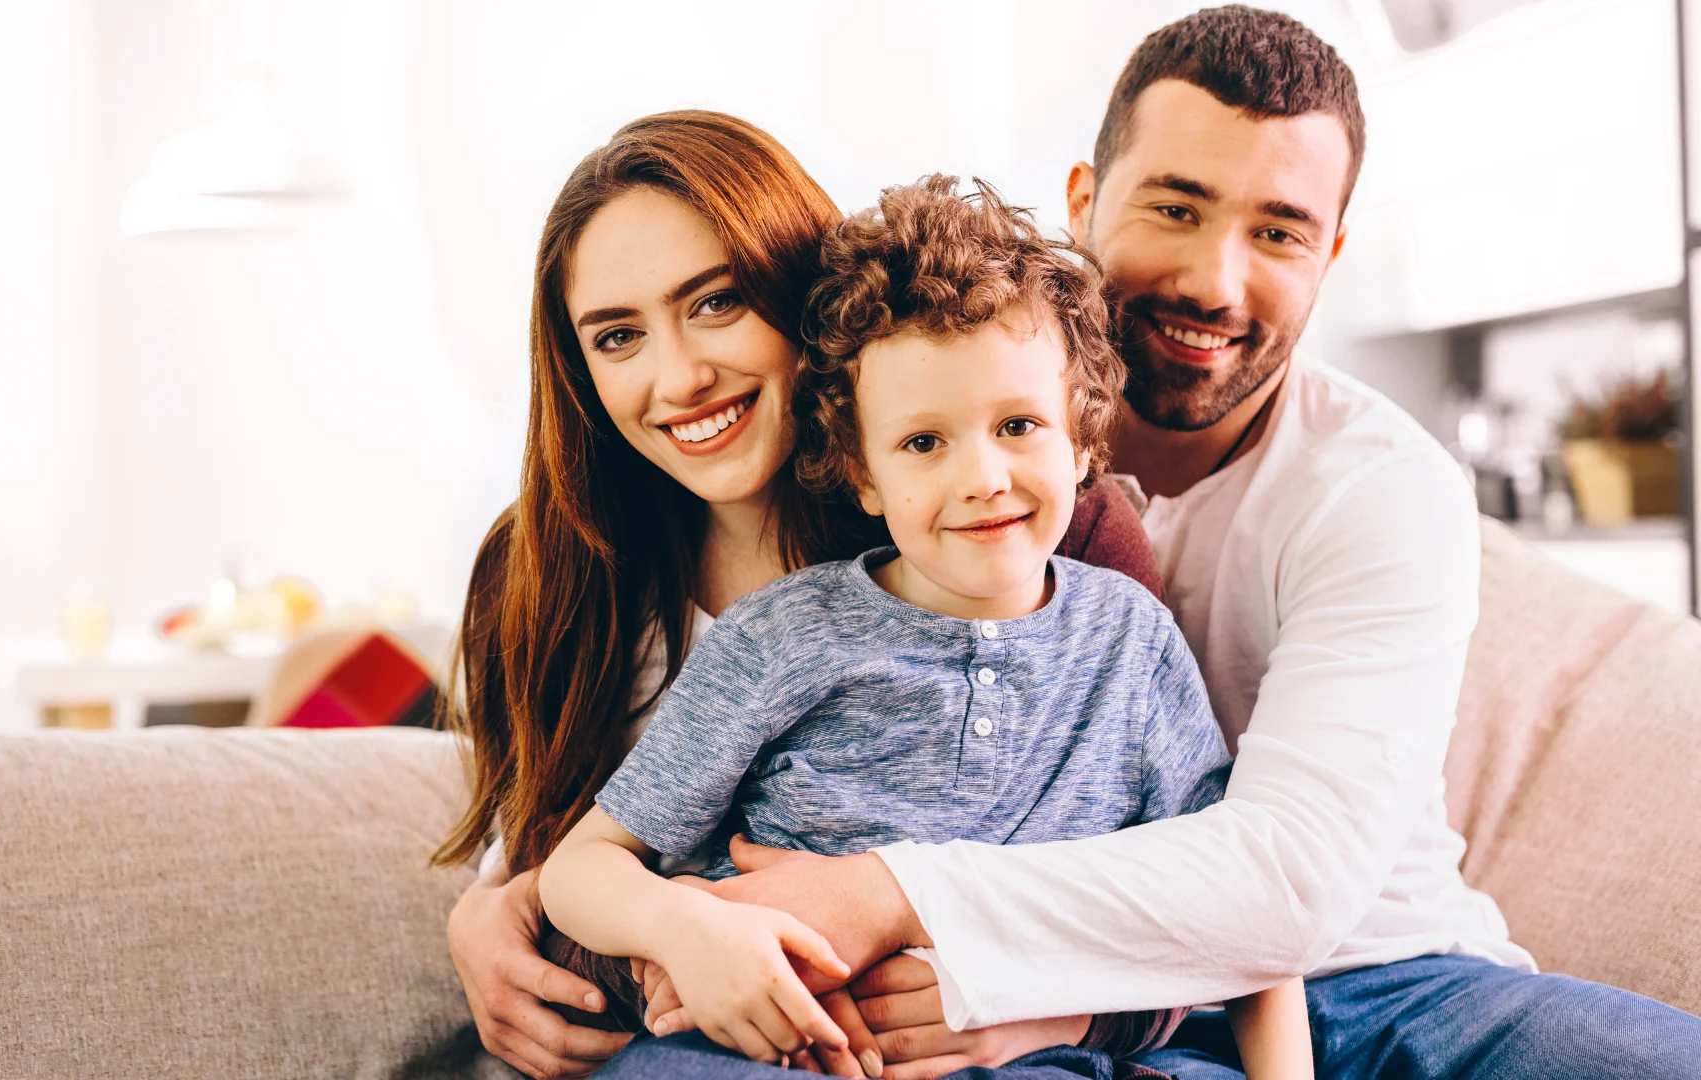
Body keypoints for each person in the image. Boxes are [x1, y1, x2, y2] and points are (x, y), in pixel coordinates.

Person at [599, 8, 1701, 1080]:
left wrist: (906, 903)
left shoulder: (1381, 487)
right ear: (1084, 199)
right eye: (1176, 208)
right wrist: (557, 911)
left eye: (1280, 232)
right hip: (1120, 1016)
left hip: (1384, 976)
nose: (1215, 281)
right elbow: (658, 815)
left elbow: (1289, 884)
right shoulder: (931, 454)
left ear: (1331, 253)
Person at [438, 110, 1162, 1080]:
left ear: (802, 293)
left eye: (717, 302)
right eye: (617, 337)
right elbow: (562, 850)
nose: (680, 378)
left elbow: (1182, 869)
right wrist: (495, 905)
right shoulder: (546, 569)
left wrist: (1059, 1004)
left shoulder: (1035, 532)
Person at [539, 176, 1311, 1080]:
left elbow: (1239, 914)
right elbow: (580, 869)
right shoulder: (780, 637)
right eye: (922, 443)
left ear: (1083, 440)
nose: (982, 478)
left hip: (1046, 1055)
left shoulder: (1131, 643)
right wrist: (691, 931)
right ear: (862, 476)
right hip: (788, 1053)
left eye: (1018, 424)